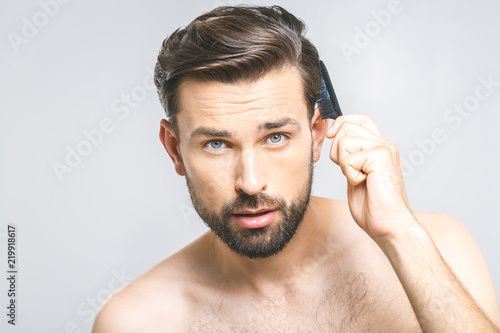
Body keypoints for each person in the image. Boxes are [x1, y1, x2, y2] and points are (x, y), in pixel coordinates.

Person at [92, 5, 500, 332]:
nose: (251, 182)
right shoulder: (137, 321)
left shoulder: (437, 247)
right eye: (216, 143)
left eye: (275, 137)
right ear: (175, 149)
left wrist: (400, 234)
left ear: (319, 133)